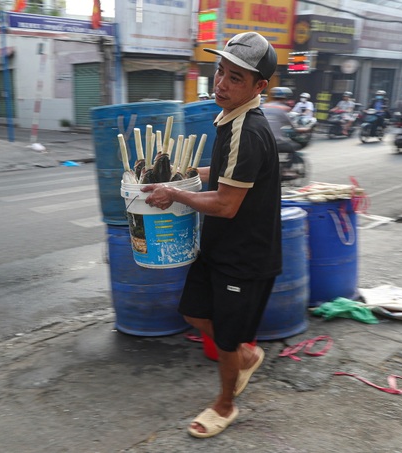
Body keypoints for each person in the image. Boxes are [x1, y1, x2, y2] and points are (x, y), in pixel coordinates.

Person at [141, 32, 282, 439]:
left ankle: (225, 404)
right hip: (220, 245)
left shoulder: (247, 132)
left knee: (224, 339)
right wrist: (184, 175)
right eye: (220, 71)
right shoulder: (230, 119)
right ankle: (245, 353)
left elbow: (226, 203)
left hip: (245, 255)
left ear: (259, 87)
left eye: (235, 78)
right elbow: (222, 177)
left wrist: (174, 194)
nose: (221, 83)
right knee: (193, 312)